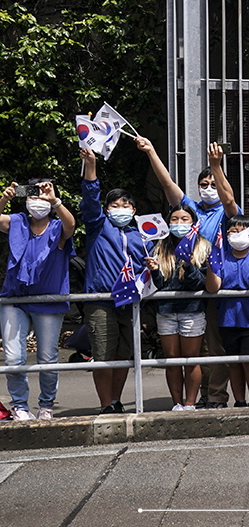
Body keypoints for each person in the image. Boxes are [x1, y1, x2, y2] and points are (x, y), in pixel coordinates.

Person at [138, 138, 240, 409]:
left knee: (215, 347)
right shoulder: (190, 210)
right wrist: (151, 151)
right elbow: (168, 185)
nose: (209, 189)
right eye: (203, 185)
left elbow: (229, 199)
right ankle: (197, 397)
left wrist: (216, 167)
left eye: (213, 185)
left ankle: (216, 397)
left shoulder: (226, 212)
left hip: (215, 282)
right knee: (196, 350)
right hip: (185, 288)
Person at [80, 147, 153, 414]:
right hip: (101, 299)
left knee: (124, 354)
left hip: (131, 300)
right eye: (114, 205)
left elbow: (150, 266)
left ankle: (116, 399)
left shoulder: (143, 235)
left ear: (134, 210)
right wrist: (91, 166)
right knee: (103, 354)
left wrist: (152, 266)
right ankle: (105, 405)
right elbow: (89, 199)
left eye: (125, 205)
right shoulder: (98, 226)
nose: (120, 209)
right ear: (107, 209)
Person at [0, 179, 75, 420]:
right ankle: (20, 406)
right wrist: (5, 198)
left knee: (47, 356)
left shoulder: (56, 227)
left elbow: (71, 225)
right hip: (14, 297)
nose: (37, 200)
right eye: (32, 195)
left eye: (43, 196)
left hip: (49, 300)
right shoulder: (17, 222)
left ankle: (46, 406)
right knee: (13, 356)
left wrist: (55, 201)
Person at [148, 204, 212, 409]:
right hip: (165, 311)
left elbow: (202, 284)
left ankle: (190, 403)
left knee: (191, 359)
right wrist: (155, 271)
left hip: (192, 310)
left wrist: (188, 266)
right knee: (172, 360)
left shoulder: (203, 246)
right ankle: (177, 403)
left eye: (185, 219)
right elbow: (158, 284)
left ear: (193, 222)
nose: (179, 223)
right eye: (174, 219)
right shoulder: (159, 246)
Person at [204, 214, 249, 407]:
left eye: (241, 231)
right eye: (232, 231)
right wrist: (210, 267)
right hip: (227, 319)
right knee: (233, 363)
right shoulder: (221, 257)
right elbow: (212, 287)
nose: (236, 234)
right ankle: (239, 401)